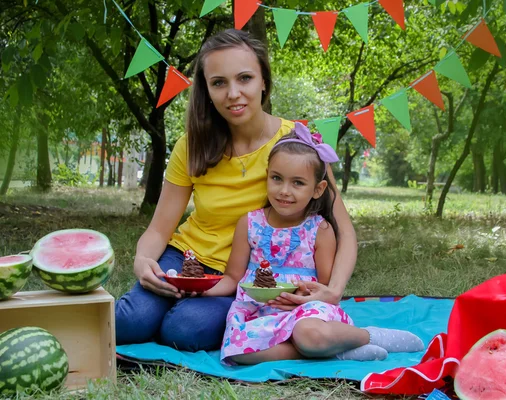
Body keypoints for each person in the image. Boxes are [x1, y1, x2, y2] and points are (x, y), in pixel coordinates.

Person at [115, 29, 359, 352]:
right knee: (129, 322)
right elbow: (159, 229)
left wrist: (334, 290)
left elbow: (345, 232)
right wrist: (142, 259)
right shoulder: (191, 146)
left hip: (244, 275)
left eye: (244, 78)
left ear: (263, 82)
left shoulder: (299, 144)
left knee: (184, 330)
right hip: (183, 258)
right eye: (219, 83)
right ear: (207, 90)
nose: (233, 93)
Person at [204, 124, 424, 364]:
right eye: (276, 178)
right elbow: (233, 277)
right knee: (236, 352)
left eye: (297, 183)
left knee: (307, 334)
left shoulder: (319, 229)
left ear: (318, 189)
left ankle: (368, 336)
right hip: (258, 310)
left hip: (304, 310)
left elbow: (325, 283)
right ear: (267, 175)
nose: (284, 191)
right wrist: (199, 289)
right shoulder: (249, 222)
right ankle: (334, 351)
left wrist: (301, 294)